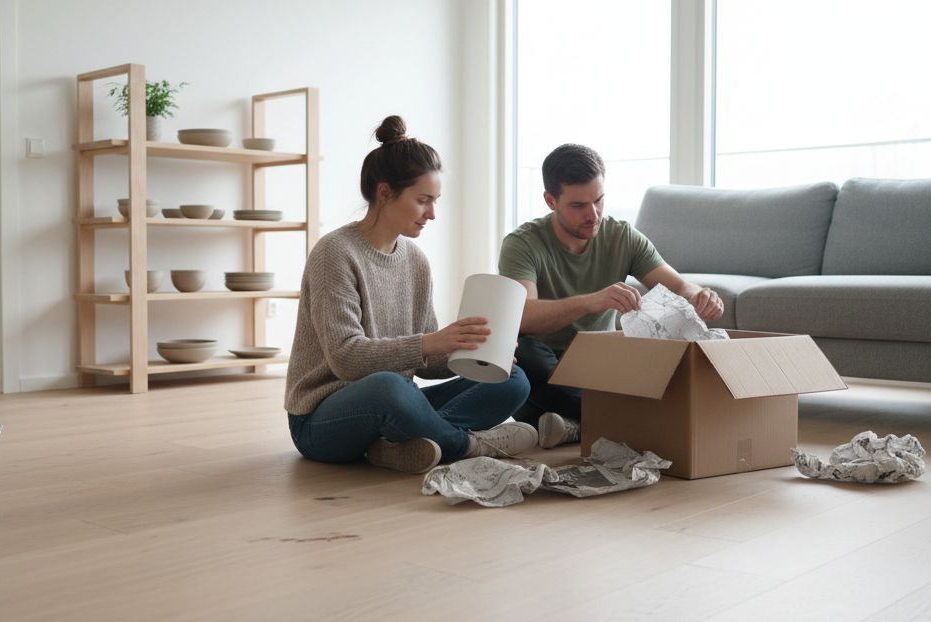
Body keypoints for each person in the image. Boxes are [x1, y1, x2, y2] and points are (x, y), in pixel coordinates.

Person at [285, 115, 537, 474]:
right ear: (385, 192)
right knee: (389, 387)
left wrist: (473, 348)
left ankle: (399, 445)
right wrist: (432, 341)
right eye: (423, 201)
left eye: (435, 201)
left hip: (394, 403)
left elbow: (427, 364)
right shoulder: (334, 253)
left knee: (513, 380)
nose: (432, 214)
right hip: (320, 421)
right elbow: (345, 359)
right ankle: (469, 445)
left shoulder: (415, 261)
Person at [498, 143, 724, 448]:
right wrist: (591, 301)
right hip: (546, 360)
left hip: (599, 362)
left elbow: (680, 286)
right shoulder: (522, 244)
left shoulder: (622, 236)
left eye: (599, 200)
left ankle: (574, 425)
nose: (593, 215)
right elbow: (523, 316)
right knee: (524, 358)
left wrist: (700, 295)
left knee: (544, 400)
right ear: (551, 200)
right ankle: (627, 418)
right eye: (578, 205)